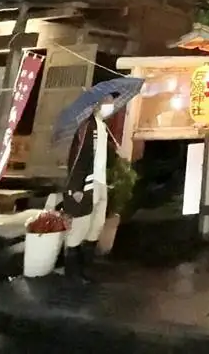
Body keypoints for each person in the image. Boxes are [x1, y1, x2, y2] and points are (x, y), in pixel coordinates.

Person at [62, 92, 119, 283]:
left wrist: (114, 152)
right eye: (107, 102)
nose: (111, 106)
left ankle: (86, 267)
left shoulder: (103, 128)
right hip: (87, 183)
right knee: (81, 225)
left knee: (97, 225)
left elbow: (104, 159)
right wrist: (76, 186)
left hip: (101, 182)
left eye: (112, 103)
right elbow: (79, 156)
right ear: (97, 105)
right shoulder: (87, 126)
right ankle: (73, 272)